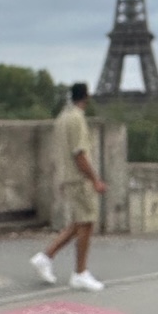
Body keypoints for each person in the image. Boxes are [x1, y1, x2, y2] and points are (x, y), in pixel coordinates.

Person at [31, 82, 108, 290]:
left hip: (67, 177)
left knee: (79, 223)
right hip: (79, 179)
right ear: (86, 97)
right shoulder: (77, 119)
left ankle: (45, 257)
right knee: (87, 223)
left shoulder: (63, 118)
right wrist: (95, 179)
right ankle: (80, 272)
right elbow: (80, 154)